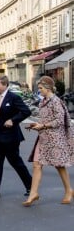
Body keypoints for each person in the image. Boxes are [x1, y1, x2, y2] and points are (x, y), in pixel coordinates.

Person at [22, 76, 74, 206]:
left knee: (59, 165)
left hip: (55, 138)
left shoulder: (55, 101)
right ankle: (33, 193)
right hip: (44, 138)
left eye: (40, 88)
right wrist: (36, 125)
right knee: (36, 164)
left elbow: (59, 121)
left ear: (48, 88)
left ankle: (69, 190)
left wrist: (43, 126)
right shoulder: (43, 101)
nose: (39, 91)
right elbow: (45, 119)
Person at [0, 75, 32, 200]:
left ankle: (31, 187)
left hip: (10, 138)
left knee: (16, 163)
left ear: (5, 85)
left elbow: (26, 111)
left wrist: (13, 120)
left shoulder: (13, 97)